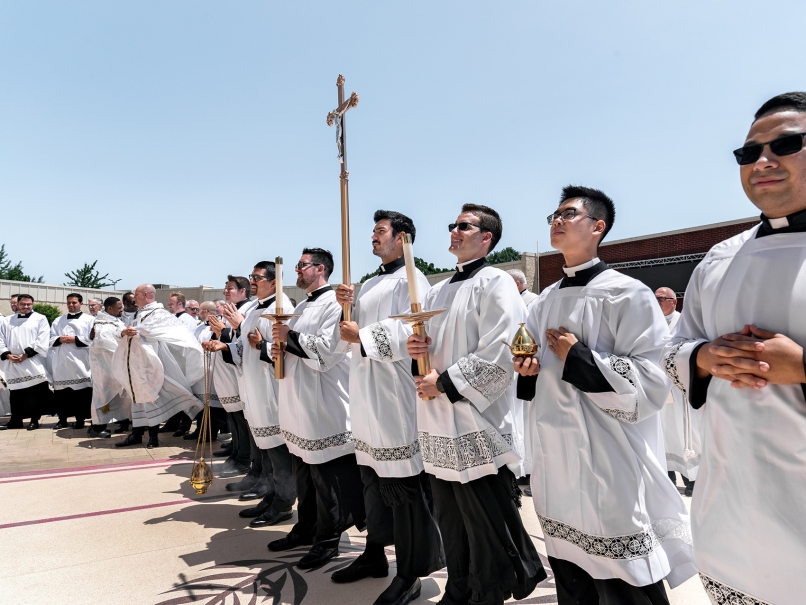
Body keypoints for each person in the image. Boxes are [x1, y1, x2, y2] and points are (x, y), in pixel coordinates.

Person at [515, 187, 694, 605]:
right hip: (554, 455)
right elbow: (532, 375)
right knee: (570, 566)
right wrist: (529, 370)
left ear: (598, 227)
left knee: (622, 571)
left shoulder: (628, 293)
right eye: (554, 215)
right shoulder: (543, 302)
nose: (556, 221)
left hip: (609, 454)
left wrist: (579, 356)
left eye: (569, 214)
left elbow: (652, 381)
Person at [663, 91, 806, 605]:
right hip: (732, 503)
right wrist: (702, 357)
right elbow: (670, 352)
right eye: (749, 153)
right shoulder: (720, 259)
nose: (762, 162)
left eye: (787, 144)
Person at [407, 204, 545, 605]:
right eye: (452, 225)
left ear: (486, 238)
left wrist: (446, 382)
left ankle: (488, 592)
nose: (453, 231)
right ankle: (458, 588)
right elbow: (424, 346)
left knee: (484, 522)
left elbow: (503, 348)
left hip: (473, 421)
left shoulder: (496, 282)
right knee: (451, 520)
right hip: (437, 422)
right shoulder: (436, 289)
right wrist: (415, 348)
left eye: (464, 226)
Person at [333, 210, 444, 605]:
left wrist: (360, 333)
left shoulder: (413, 279)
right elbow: (348, 334)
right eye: (374, 232)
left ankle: (410, 572)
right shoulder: (368, 283)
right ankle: (374, 553)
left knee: (402, 487)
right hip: (366, 392)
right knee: (372, 483)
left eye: (380, 232)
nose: (373, 238)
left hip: (394, 397)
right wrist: (345, 306)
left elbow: (413, 331)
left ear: (402, 238)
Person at [268, 248, 365, 569]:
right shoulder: (300, 306)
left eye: (302, 265)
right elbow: (290, 348)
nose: (297, 270)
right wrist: (276, 346)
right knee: (305, 475)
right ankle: (305, 528)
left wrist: (289, 335)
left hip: (325, 404)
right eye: (295, 265)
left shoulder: (336, 305)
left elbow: (327, 352)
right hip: (298, 402)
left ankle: (327, 540)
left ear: (320, 269)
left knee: (327, 481)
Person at [206, 261, 297, 526]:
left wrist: (261, 346)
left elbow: (285, 353)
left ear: (274, 281)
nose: (253, 281)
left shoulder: (281, 309)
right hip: (254, 390)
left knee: (279, 454)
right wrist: (224, 347)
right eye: (252, 276)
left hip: (272, 392)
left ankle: (282, 505)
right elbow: (245, 350)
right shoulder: (257, 309)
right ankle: (270, 496)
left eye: (258, 277)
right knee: (265, 451)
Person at [112, 284, 203, 448]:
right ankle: (136, 434)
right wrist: (125, 332)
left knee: (150, 397)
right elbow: (134, 331)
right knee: (137, 398)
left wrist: (139, 331)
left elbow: (168, 333)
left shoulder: (159, 314)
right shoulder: (140, 313)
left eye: (136, 294)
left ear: (145, 294)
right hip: (137, 363)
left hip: (152, 364)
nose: (134, 297)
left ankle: (152, 438)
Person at [205, 275, 258, 478]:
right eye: (225, 288)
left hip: (238, 372)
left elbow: (245, 339)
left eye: (231, 288)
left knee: (242, 421)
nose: (226, 291)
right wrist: (216, 335)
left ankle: (243, 459)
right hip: (226, 370)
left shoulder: (246, 310)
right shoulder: (229, 309)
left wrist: (224, 332)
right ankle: (236, 453)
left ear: (243, 291)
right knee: (234, 419)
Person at [655, 287, 699, 497]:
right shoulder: (650, 322)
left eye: (661, 298)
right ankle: (669, 477)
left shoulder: (683, 322)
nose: (657, 302)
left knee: (685, 434)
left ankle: (691, 480)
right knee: (662, 433)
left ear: (674, 302)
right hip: (658, 387)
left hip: (679, 387)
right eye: (655, 298)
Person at [506, 268, 538, 496]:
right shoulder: (508, 301)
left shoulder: (534, 302)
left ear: (517, 283)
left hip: (528, 370)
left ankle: (529, 469)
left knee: (527, 419)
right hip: (511, 369)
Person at [0, 295, 51, 430]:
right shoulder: (6, 320)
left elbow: (43, 339)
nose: (26, 307)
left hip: (32, 361)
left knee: (35, 394)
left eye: (29, 304)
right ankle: (15, 420)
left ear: (32, 304)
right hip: (13, 363)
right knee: (16, 395)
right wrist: (7, 354)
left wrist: (26, 354)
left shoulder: (40, 318)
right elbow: (0, 338)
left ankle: (34, 420)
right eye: (23, 304)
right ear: (18, 304)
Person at [50, 293, 95, 431]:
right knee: (62, 393)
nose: (71, 305)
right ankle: (62, 419)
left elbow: (93, 338)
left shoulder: (90, 320)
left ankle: (80, 420)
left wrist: (75, 339)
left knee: (80, 394)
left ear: (81, 304)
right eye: (69, 302)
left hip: (81, 361)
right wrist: (59, 339)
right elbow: (50, 338)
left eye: (74, 302)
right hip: (62, 361)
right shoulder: (58, 320)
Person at [88, 297, 132, 436]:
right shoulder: (102, 321)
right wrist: (121, 333)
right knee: (103, 395)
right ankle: (97, 428)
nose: (122, 309)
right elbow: (103, 338)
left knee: (121, 396)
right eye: (119, 307)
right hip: (104, 367)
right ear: (109, 309)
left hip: (114, 365)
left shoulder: (114, 320)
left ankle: (123, 422)